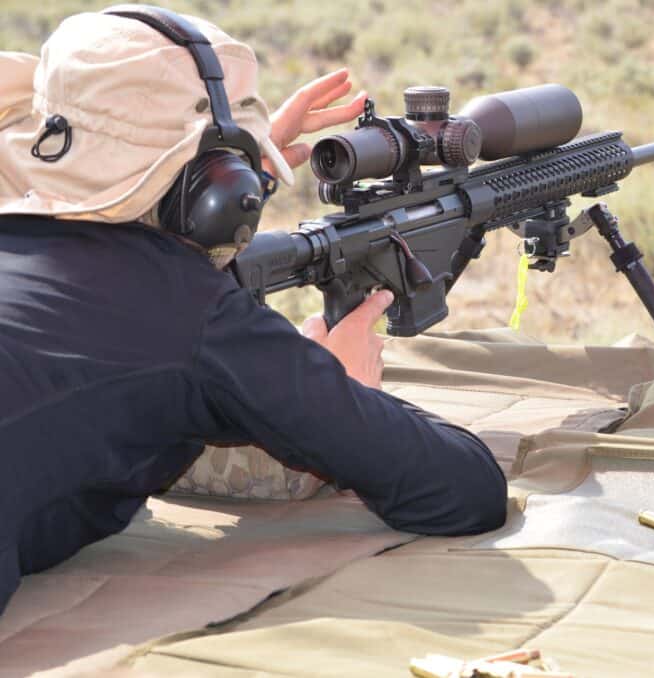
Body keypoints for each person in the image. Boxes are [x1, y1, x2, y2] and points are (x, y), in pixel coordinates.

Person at [0, 8, 507, 614]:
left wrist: (199, 171)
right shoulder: (191, 314)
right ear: (216, 190)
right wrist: (344, 390)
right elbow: (465, 489)